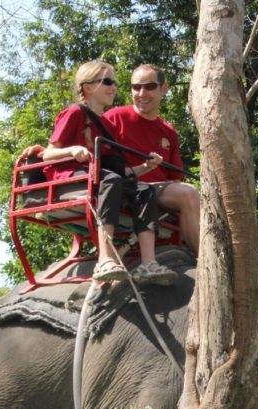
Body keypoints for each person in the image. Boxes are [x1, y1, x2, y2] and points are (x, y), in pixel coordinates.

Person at [41, 60, 176, 285]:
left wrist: (146, 168)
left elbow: (116, 170)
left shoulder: (108, 126)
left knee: (144, 191)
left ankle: (148, 263)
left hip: (100, 177)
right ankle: (105, 259)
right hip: (72, 179)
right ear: (87, 87)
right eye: (107, 81)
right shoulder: (75, 113)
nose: (114, 87)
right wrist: (73, 150)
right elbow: (48, 154)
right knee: (111, 180)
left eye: (114, 82)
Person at [103, 64, 200, 255]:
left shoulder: (168, 131)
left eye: (149, 86)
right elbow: (87, 144)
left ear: (164, 89)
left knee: (205, 201)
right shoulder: (115, 117)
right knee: (189, 194)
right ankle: (207, 263)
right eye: (136, 87)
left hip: (159, 191)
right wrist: (45, 150)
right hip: (127, 188)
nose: (141, 93)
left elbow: (174, 178)